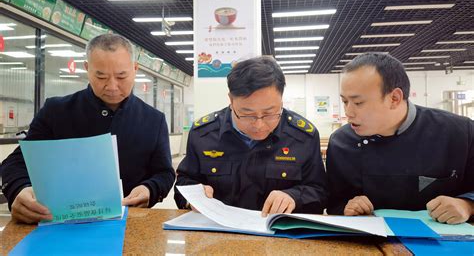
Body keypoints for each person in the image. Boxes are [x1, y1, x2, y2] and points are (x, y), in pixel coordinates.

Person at [1, 34, 175, 224]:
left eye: (121, 76)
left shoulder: (153, 120)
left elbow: (164, 173)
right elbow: (16, 162)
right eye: (101, 76)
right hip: (61, 224)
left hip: (128, 225)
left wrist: (150, 189)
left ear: (134, 69)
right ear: (87, 69)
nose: (112, 86)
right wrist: (19, 189)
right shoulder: (56, 111)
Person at [326, 52, 473, 224]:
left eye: (358, 103)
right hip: (370, 244)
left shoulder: (460, 133)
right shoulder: (341, 142)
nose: (348, 112)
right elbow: (334, 203)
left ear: (394, 98)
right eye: (345, 102)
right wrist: (348, 208)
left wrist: (467, 205)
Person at [174, 56, 327, 216]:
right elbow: (184, 184)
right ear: (231, 101)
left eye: (269, 113)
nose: (259, 125)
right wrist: (194, 196)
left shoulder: (302, 137)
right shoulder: (203, 134)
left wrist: (294, 197)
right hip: (218, 233)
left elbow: (320, 192)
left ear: (281, 101)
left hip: (280, 235)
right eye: (247, 114)